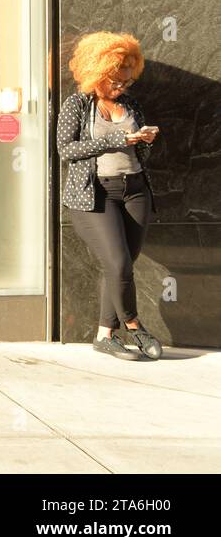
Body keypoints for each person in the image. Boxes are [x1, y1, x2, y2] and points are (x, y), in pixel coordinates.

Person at [58, 32, 162, 361]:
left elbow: (134, 145)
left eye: (128, 82)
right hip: (95, 195)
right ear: (98, 73)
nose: (123, 88)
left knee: (121, 267)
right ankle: (134, 326)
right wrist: (117, 138)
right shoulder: (77, 105)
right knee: (118, 263)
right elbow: (66, 150)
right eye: (117, 81)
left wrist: (144, 138)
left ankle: (105, 335)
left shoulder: (130, 105)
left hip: (135, 191)